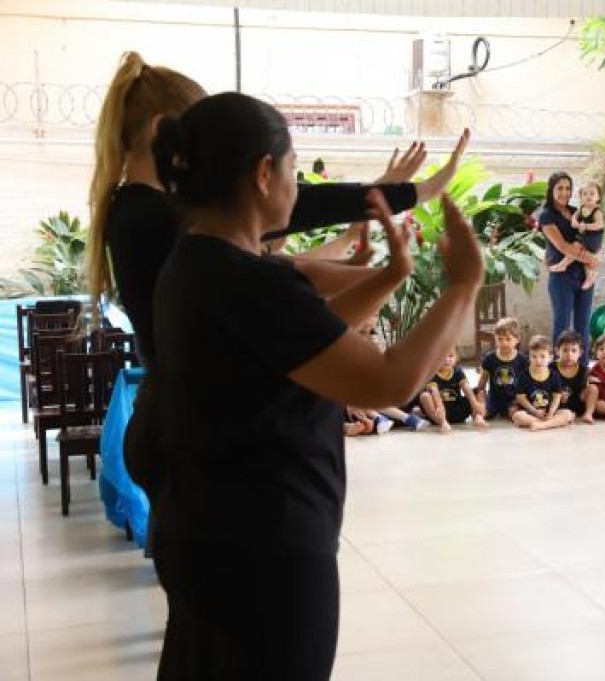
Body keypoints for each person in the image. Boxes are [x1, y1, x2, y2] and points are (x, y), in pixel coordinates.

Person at [148, 91, 483, 679]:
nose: (297, 186)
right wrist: (462, 286)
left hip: (204, 532)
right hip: (267, 552)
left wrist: (392, 274)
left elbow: (302, 335)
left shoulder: (195, 264)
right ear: (263, 174)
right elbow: (387, 381)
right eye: (294, 169)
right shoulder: (247, 282)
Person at [86, 52, 466, 500]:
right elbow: (386, 379)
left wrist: (379, 242)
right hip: (203, 453)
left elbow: (287, 281)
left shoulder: (168, 227)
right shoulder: (159, 222)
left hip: (196, 440)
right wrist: (458, 278)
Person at [540, 172, 600, 353]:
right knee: (562, 325)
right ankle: (558, 368)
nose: (564, 192)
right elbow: (563, 246)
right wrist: (590, 259)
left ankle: (582, 368)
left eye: (568, 188)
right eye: (559, 188)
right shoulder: (546, 216)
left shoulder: (577, 212)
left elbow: (592, 237)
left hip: (584, 276)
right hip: (561, 277)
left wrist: (592, 258)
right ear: (551, 190)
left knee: (583, 325)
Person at [548, 181, 604, 290]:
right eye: (585, 194)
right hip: (584, 238)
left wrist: (586, 226)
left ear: (598, 197)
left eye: (592, 194)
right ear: (581, 197)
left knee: (575, 247)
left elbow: (599, 225)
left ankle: (563, 264)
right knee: (584, 260)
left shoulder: (597, 212)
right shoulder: (581, 209)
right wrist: (574, 222)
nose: (588, 196)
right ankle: (590, 277)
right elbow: (574, 218)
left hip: (593, 239)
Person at [512, 335, 575, 431]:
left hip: (550, 412)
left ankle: (543, 425)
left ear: (550, 358)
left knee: (567, 414)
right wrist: (534, 411)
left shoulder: (554, 376)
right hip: (530, 412)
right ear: (529, 357)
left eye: (542, 356)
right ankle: (545, 423)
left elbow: (556, 397)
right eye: (534, 356)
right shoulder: (523, 376)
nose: (538, 360)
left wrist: (551, 412)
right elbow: (521, 398)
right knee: (517, 416)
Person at [417, 348, 487, 432]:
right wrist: (440, 408)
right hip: (439, 412)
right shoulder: (432, 373)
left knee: (480, 392)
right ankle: (443, 423)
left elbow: (466, 388)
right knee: (425, 396)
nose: (446, 360)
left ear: (456, 358)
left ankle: (478, 417)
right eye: (442, 357)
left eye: (450, 356)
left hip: (457, 409)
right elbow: (435, 392)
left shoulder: (458, 371)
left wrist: (475, 404)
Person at [475, 316, 529, 420]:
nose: (504, 343)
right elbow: (481, 385)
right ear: (495, 338)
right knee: (481, 413)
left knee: (515, 414)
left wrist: (519, 400)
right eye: (500, 339)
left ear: (517, 339)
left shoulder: (522, 360)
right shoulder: (489, 358)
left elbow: (527, 384)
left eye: (508, 339)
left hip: (514, 400)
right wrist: (482, 401)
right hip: (494, 399)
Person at [551, 330, 599, 424]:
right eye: (565, 350)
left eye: (574, 351)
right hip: (559, 405)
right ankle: (566, 416)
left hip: (577, 403)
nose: (569, 354)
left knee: (593, 388)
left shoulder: (583, 370)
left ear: (580, 353)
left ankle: (588, 414)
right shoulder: (551, 368)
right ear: (557, 351)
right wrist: (557, 394)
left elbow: (585, 388)